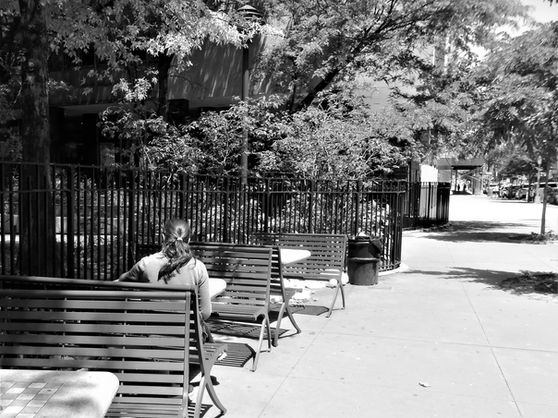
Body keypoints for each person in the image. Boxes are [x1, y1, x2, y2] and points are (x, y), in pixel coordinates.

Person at [116, 218, 211, 321]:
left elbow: (120, 283)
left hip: (150, 333)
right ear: (188, 240)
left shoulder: (146, 263)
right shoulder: (198, 267)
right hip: (186, 335)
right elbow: (205, 313)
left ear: (163, 237)